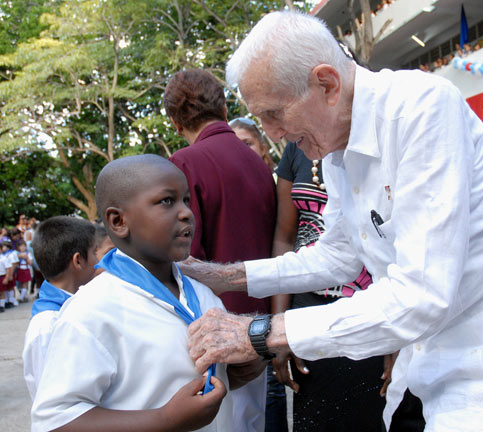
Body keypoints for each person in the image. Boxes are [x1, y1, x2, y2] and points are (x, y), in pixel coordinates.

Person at [181, 11, 483, 432]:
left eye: (274, 113)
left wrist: (259, 333)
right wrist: (226, 277)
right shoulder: (333, 150)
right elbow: (339, 254)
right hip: (429, 350)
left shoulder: (421, 110)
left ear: (326, 85)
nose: (272, 133)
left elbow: (422, 295)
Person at [31, 155, 251, 432]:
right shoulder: (92, 310)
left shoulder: (204, 295)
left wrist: (243, 367)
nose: (186, 213)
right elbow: (54, 420)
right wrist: (165, 420)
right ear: (118, 221)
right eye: (166, 201)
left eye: (186, 200)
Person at [166, 69, 277, 432]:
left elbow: (183, 254)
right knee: (252, 421)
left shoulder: (186, 162)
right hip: (258, 322)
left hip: (210, 328)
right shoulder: (257, 163)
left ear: (175, 121)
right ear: (224, 107)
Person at [271, 139, 394, 431]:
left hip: (370, 307)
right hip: (307, 306)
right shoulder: (295, 148)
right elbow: (284, 237)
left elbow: (396, 243)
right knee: (315, 417)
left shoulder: (376, 142)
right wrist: (280, 324)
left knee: (367, 416)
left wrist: (397, 339)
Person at [22, 216, 98, 400]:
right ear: (78, 260)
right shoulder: (47, 325)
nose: (99, 260)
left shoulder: (78, 305)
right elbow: (53, 402)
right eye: (95, 252)